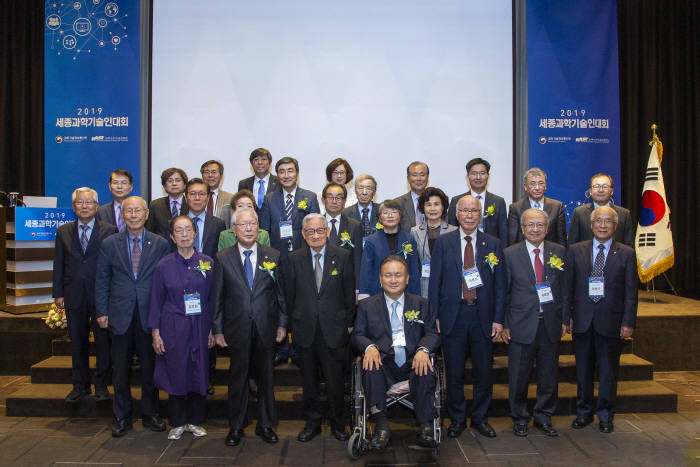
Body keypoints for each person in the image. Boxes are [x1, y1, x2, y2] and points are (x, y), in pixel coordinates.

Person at [428, 195, 504, 439]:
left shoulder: (493, 244)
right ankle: (458, 419)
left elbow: (500, 286)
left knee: (484, 372)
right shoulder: (444, 242)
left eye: (474, 210)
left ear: (480, 214)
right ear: (457, 214)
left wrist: (498, 319)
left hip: (483, 316)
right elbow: (435, 282)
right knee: (455, 372)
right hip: (453, 316)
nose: (470, 215)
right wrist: (435, 316)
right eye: (465, 211)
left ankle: (481, 419)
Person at [211, 208, 288, 446]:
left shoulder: (273, 255)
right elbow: (217, 298)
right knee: (238, 379)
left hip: (266, 327)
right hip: (237, 328)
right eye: (243, 225)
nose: (248, 228)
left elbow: (281, 295)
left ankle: (266, 425)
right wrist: (218, 329)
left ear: (258, 228)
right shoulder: (223, 257)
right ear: (234, 230)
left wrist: (283, 324)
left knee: (266, 379)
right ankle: (236, 426)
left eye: (252, 224)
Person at [95, 196, 170, 437]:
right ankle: (122, 417)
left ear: (147, 214)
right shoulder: (109, 244)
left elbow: (165, 283)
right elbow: (102, 280)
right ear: (123, 215)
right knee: (121, 371)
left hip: (149, 316)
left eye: (138, 210)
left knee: (150, 369)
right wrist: (102, 311)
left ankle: (150, 414)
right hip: (119, 315)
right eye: (129, 211)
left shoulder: (160, 244)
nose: (134, 215)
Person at [352, 255, 441, 450]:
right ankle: (382, 428)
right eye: (388, 275)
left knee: (424, 363)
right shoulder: (367, 306)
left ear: (407, 278)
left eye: (398, 275)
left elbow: (432, 334)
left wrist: (423, 349)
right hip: (383, 364)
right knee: (370, 365)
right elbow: (357, 335)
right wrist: (369, 347)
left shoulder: (421, 304)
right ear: (380, 279)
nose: (393, 280)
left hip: (412, 363)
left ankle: (426, 428)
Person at [565, 206, 638, 434]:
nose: (603, 225)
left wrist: (628, 322)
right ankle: (584, 413)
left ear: (615, 226)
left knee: (608, 372)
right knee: (583, 371)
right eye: (599, 221)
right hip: (582, 322)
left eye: (608, 221)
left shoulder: (626, 253)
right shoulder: (576, 250)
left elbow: (630, 292)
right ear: (591, 224)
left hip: (612, 323)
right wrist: (567, 316)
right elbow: (568, 288)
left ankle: (605, 415)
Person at [285, 214, 355, 442]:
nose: (315, 235)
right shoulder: (293, 259)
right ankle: (312, 423)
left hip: (334, 331)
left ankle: (338, 424)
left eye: (319, 230)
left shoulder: (343, 256)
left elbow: (348, 294)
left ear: (327, 231)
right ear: (303, 235)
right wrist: (291, 325)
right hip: (305, 330)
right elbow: (289, 295)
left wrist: (348, 325)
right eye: (310, 232)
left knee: (336, 382)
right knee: (309, 382)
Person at [148, 215, 215, 440]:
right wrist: (156, 333)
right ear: (172, 236)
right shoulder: (163, 266)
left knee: (199, 371)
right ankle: (177, 422)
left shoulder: (207, 262)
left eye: (188, 230)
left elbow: (213, 299)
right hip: (173, 326)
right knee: (176, 371)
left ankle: (195, 421)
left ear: (196, 234)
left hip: (201, 324)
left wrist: (213, 329)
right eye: (179, 230)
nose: (185, 234)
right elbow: (156, 301)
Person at [502, 208, 567, 437]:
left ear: (547, 228)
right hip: (521, 323)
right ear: (522, 229)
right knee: (518, 376)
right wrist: (505, 323)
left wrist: (565, 319)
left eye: (540, 225)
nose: (535, 229)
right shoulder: (509, 254)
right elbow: (505, 292)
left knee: (548, 375)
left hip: (550, 322)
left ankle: (544, 416)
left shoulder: (559, 251)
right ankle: (519, 417)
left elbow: (565, 289)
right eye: (530, 225)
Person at [53, 187, 117, 403]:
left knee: (102, 342)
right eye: (80, 202)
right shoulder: (63, 231)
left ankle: (101, 384)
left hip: (100, 294)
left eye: (89, 202)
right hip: (74, 294)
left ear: (97, 206)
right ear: (74, 207)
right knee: (77, 342)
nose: (84, 206)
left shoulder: (109, 230)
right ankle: (79, 385)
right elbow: (59, 263)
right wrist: (58, 293)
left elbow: (112, 266)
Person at [259, 156, 320, 261]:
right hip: (277, 256)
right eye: (282, 172)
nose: (286, 176)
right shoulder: (269, 199)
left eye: (290, 171)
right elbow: (265, 231)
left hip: (304, 255)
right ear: (277, 175)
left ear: (297, 173)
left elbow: (316, 228)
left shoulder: (310, 197)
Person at [358, 200, 420, 299]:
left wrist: (416, 295)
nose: (390, 215)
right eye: (385, 213)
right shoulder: (371, 241)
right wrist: (364, 293)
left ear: (400, 217)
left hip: (405, 292)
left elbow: (414, 270)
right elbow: (366, 270)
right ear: (380, 218)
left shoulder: (409, 239)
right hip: (377, 292)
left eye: (394, 212)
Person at [411, 187, 457, 298]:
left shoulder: (454, 231)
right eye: (428, 205)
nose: (432, 208)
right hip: (424, 286)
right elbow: (414, 263)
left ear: (443, 207)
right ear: (423, 207)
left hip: (447, 285)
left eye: (436, 204)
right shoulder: (415, 231)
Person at [447, 158, 507, 242]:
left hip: (490, 249)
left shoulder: (498, 202)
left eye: (482, 173)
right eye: (474, 173)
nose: (478, 177)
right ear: (468, 176)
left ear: (488, 176)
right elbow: (452, 229)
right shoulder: (457, 201)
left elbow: (503, 233)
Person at [568, 173, 635, 247]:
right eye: (596, 186)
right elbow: (572, 245)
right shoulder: (579, 213)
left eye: (605, 186)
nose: (600, 190)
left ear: (612, 191)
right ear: (590, 191)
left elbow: (629, 246)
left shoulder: (624, 214)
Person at [507, 168, 566, 247]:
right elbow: (512, 240)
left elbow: (561, 240)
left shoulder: (557, 207)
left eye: (541, 183)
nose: (537, 188)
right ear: (525, 187)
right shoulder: (515, 208)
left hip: (550, 255)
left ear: (545, 186)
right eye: (533, 184)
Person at [322, 182, 363, 286]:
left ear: (344, 201)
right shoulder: (315, 224)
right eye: (330, 197)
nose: (334, 201)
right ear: (323, 200)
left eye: (339, 198)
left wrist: (358, 288)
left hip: (346, 282)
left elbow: (357, 260)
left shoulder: (355, 226)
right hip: (321, 280)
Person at [184, 178, 226, 259]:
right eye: (192, 194)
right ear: (186, 197)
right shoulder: (175, 224)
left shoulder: (218, 224)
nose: (197, 198)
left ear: (208, 197)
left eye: (201, 194)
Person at [146, 168, 189, 239]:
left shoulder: (191, 203)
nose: (174, 184)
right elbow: (150, 231)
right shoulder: (155, 205)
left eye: (178, 180)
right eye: (170, 181)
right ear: (164, 186)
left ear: (184, 185)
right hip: (162, 247)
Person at [394, 161, 430, 233]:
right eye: (415, 175)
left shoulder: (437, 202)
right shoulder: (397, 203)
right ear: (408, 178)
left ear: (427, 177)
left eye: (422, 175)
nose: (419, 179)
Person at [342, 174, 380, 238]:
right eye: (361, 188)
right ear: (355, 191)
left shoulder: (381, 211)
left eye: (368, 188)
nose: (364, 192)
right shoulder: (345, 213)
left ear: (374, 191)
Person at [200, 160, 234, 227]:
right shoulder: (195, 197)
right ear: (202, 176)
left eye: (214, 172)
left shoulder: (231, 198)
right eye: (207, 172)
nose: (210, 175)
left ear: (221, 176)